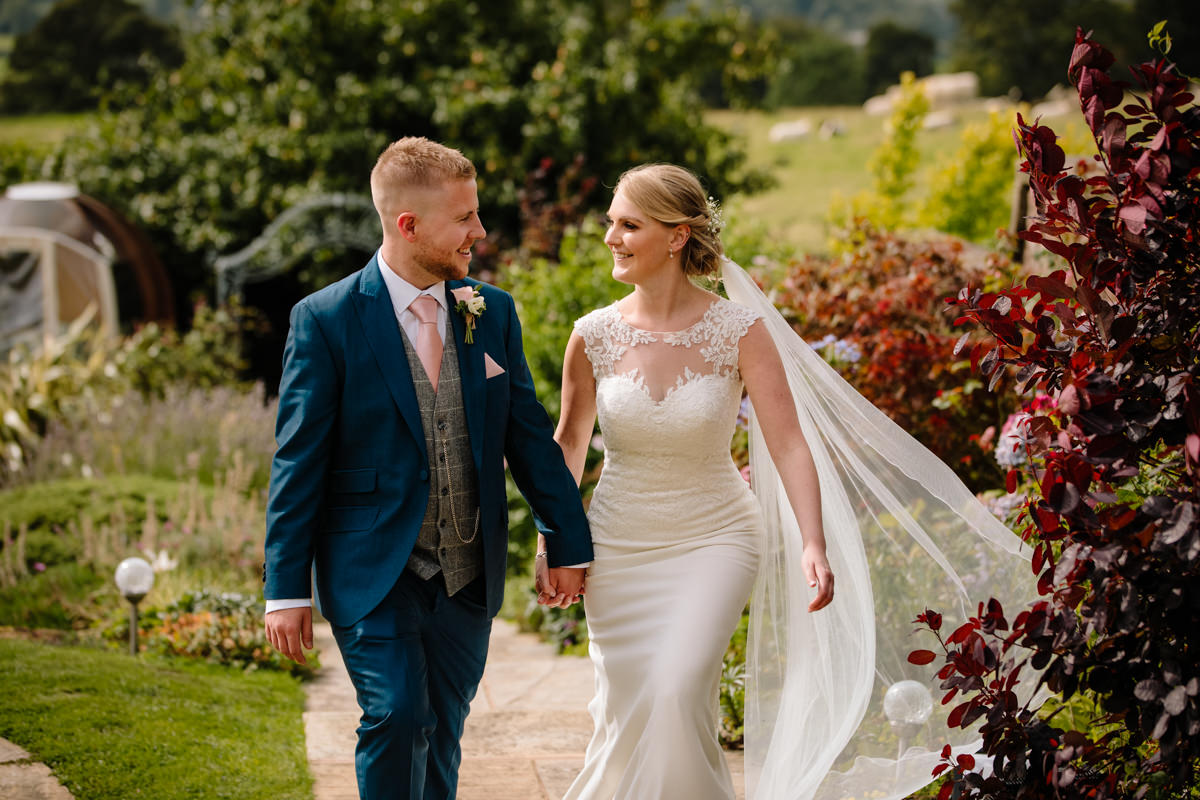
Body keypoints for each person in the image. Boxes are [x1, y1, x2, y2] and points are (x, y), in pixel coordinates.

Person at [537, 164, 1032, 800]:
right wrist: (556, 542)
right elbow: (569, 446)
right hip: (619, 543)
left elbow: (790, 443)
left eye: (628, 224)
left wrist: (812, 542)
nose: (611, 237)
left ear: (677, 235)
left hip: (714, 539)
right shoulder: (593, 335)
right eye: (611, 222)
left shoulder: (738, 331)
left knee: (679, 686)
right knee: (631, 706)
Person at [262, 137, 593, 800]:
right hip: (371, 569)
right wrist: (286, 589)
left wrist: (566, 539)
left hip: (466, 573)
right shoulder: (325, 321)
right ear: (408, 225)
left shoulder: (490, 312)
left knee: (442, 730)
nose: (480, 230)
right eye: (465, 217)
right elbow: (297, 460)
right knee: (396, 715)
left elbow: (528, 437)